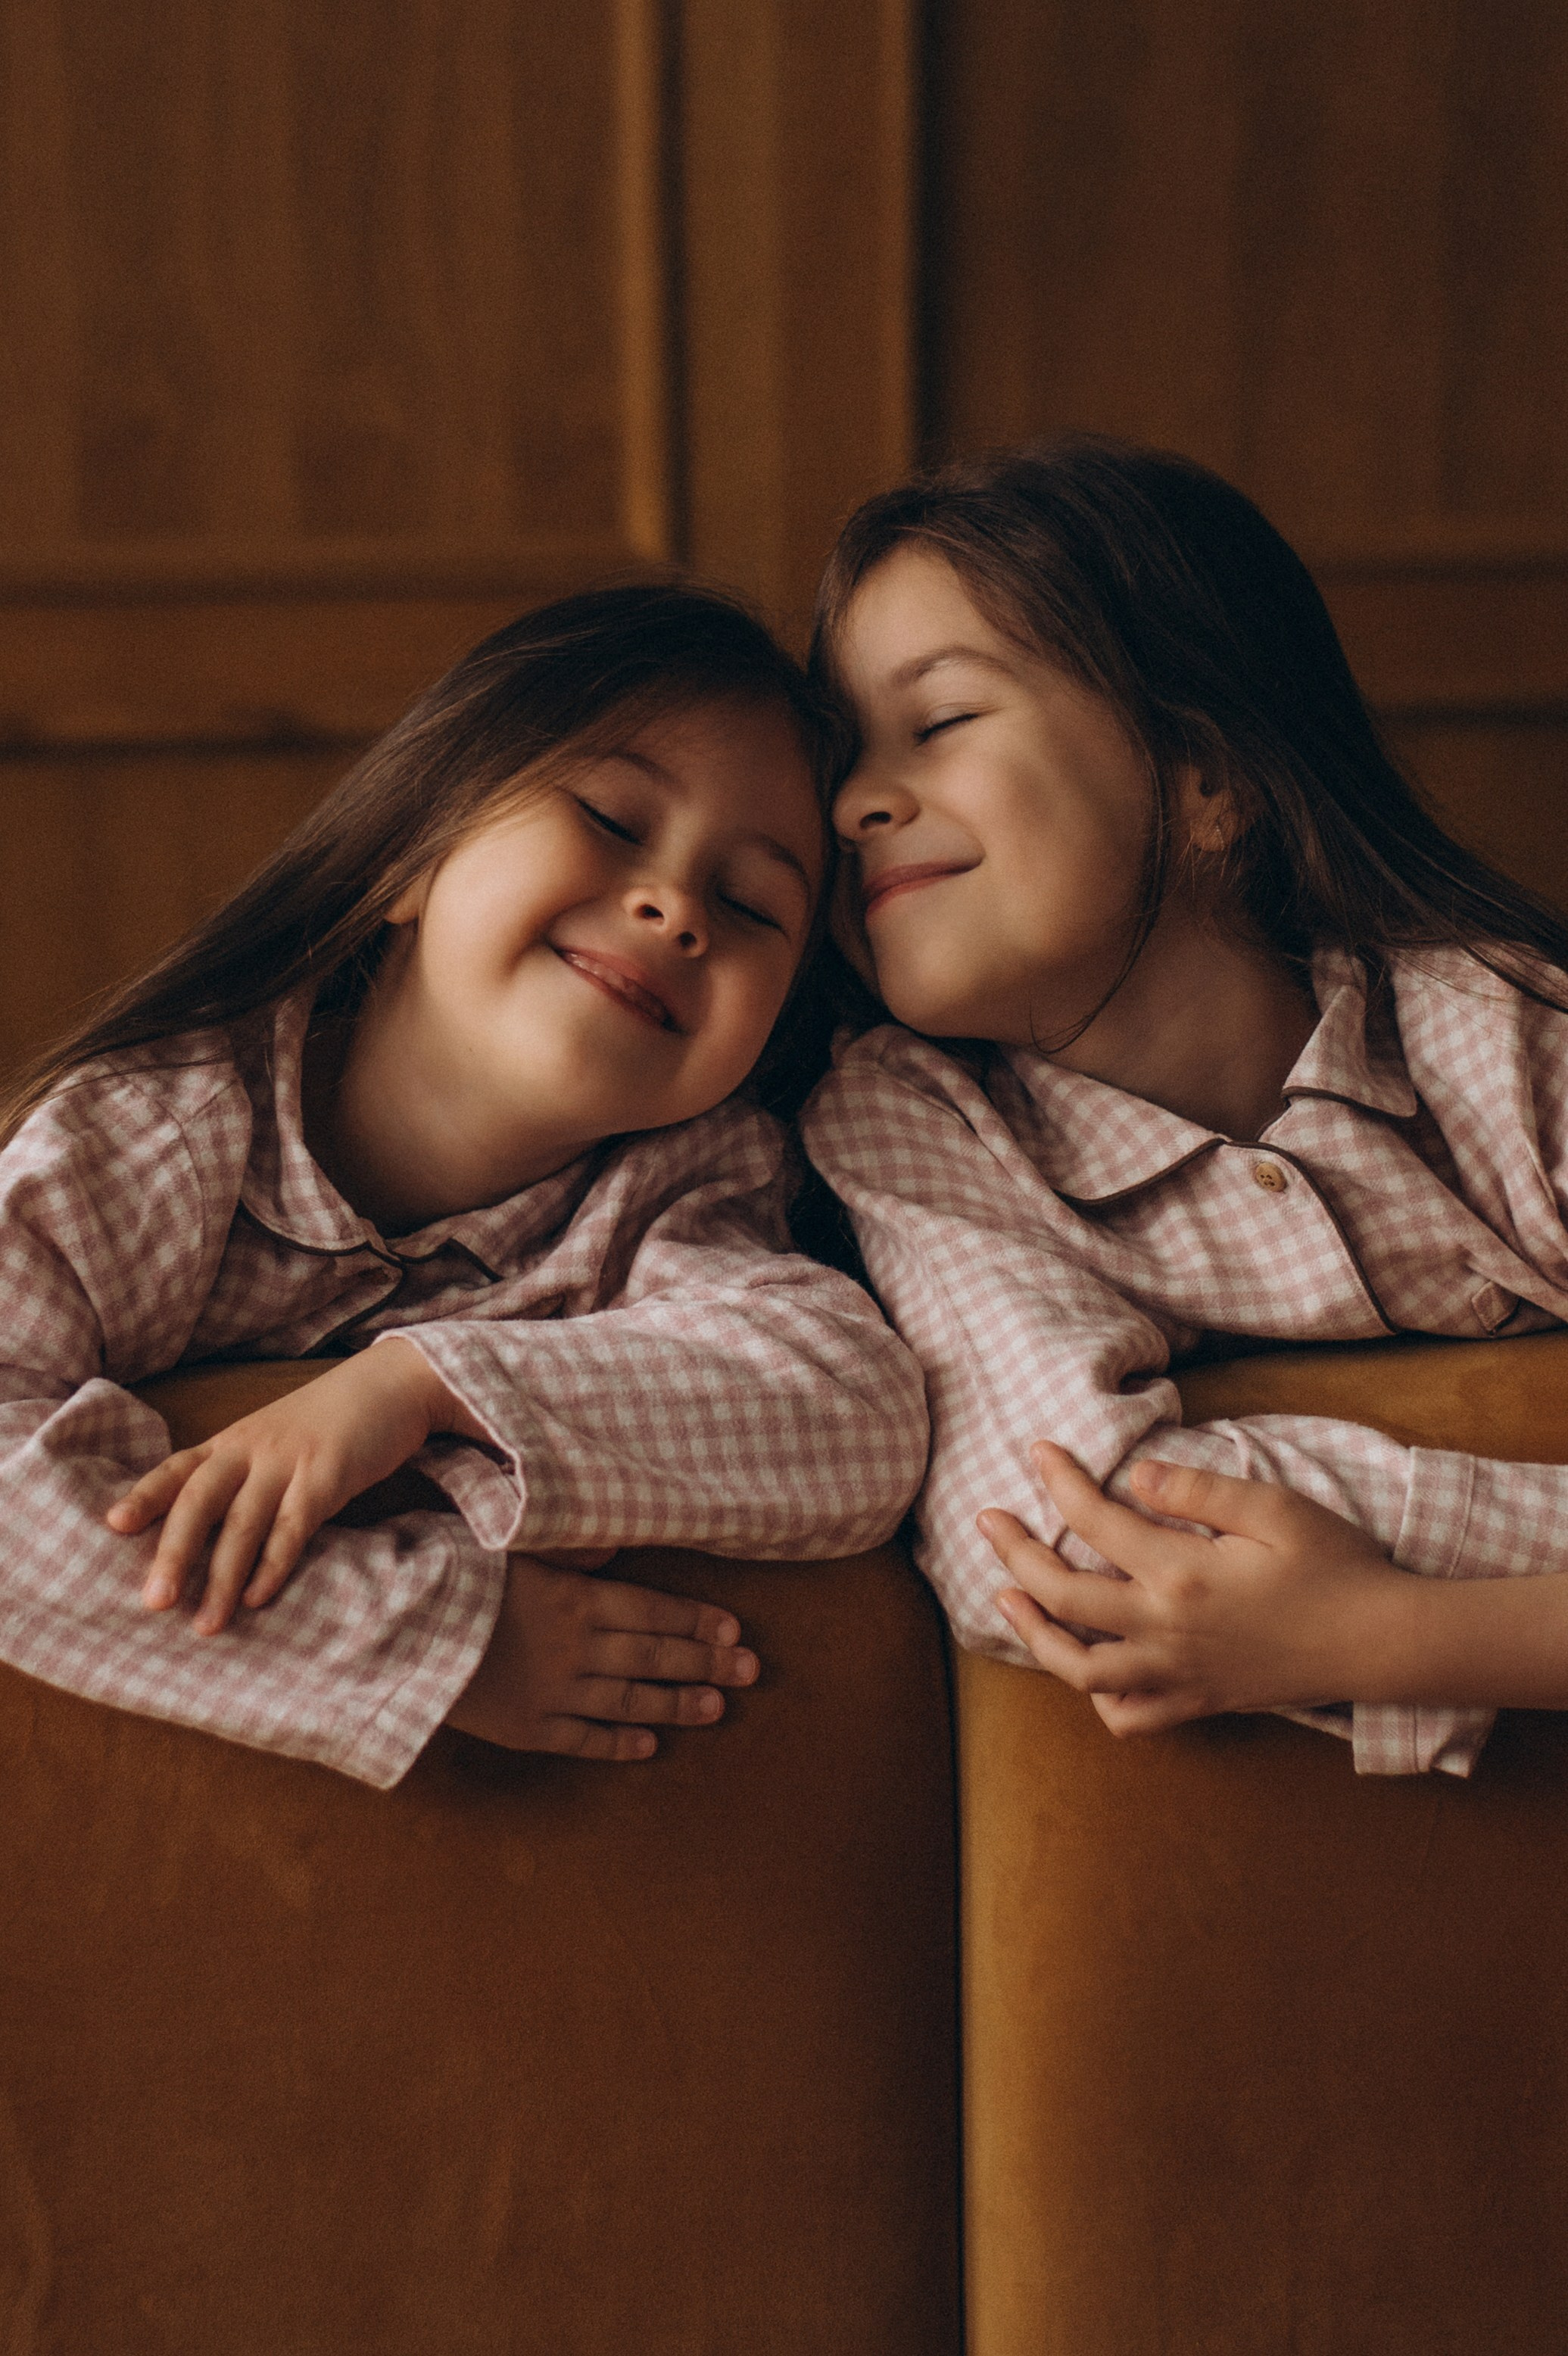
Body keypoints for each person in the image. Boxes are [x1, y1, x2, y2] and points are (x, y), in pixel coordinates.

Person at [0, 584, 927, 1786]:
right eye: (609, 816)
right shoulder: (161, 1134)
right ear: (412, 857)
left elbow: (861, 1417)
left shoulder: (675, 1194)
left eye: (753, 906)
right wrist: (439, 1638)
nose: (676, 908)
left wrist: (419, 1385)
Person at [801, 436, 1568, 1777]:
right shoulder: (908, 1120)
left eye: (940, 724)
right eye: (842, 760)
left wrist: (1392, 1634)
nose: (857, 801)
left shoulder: (1495, 1035)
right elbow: (1055, 1547)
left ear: (1206, 781)